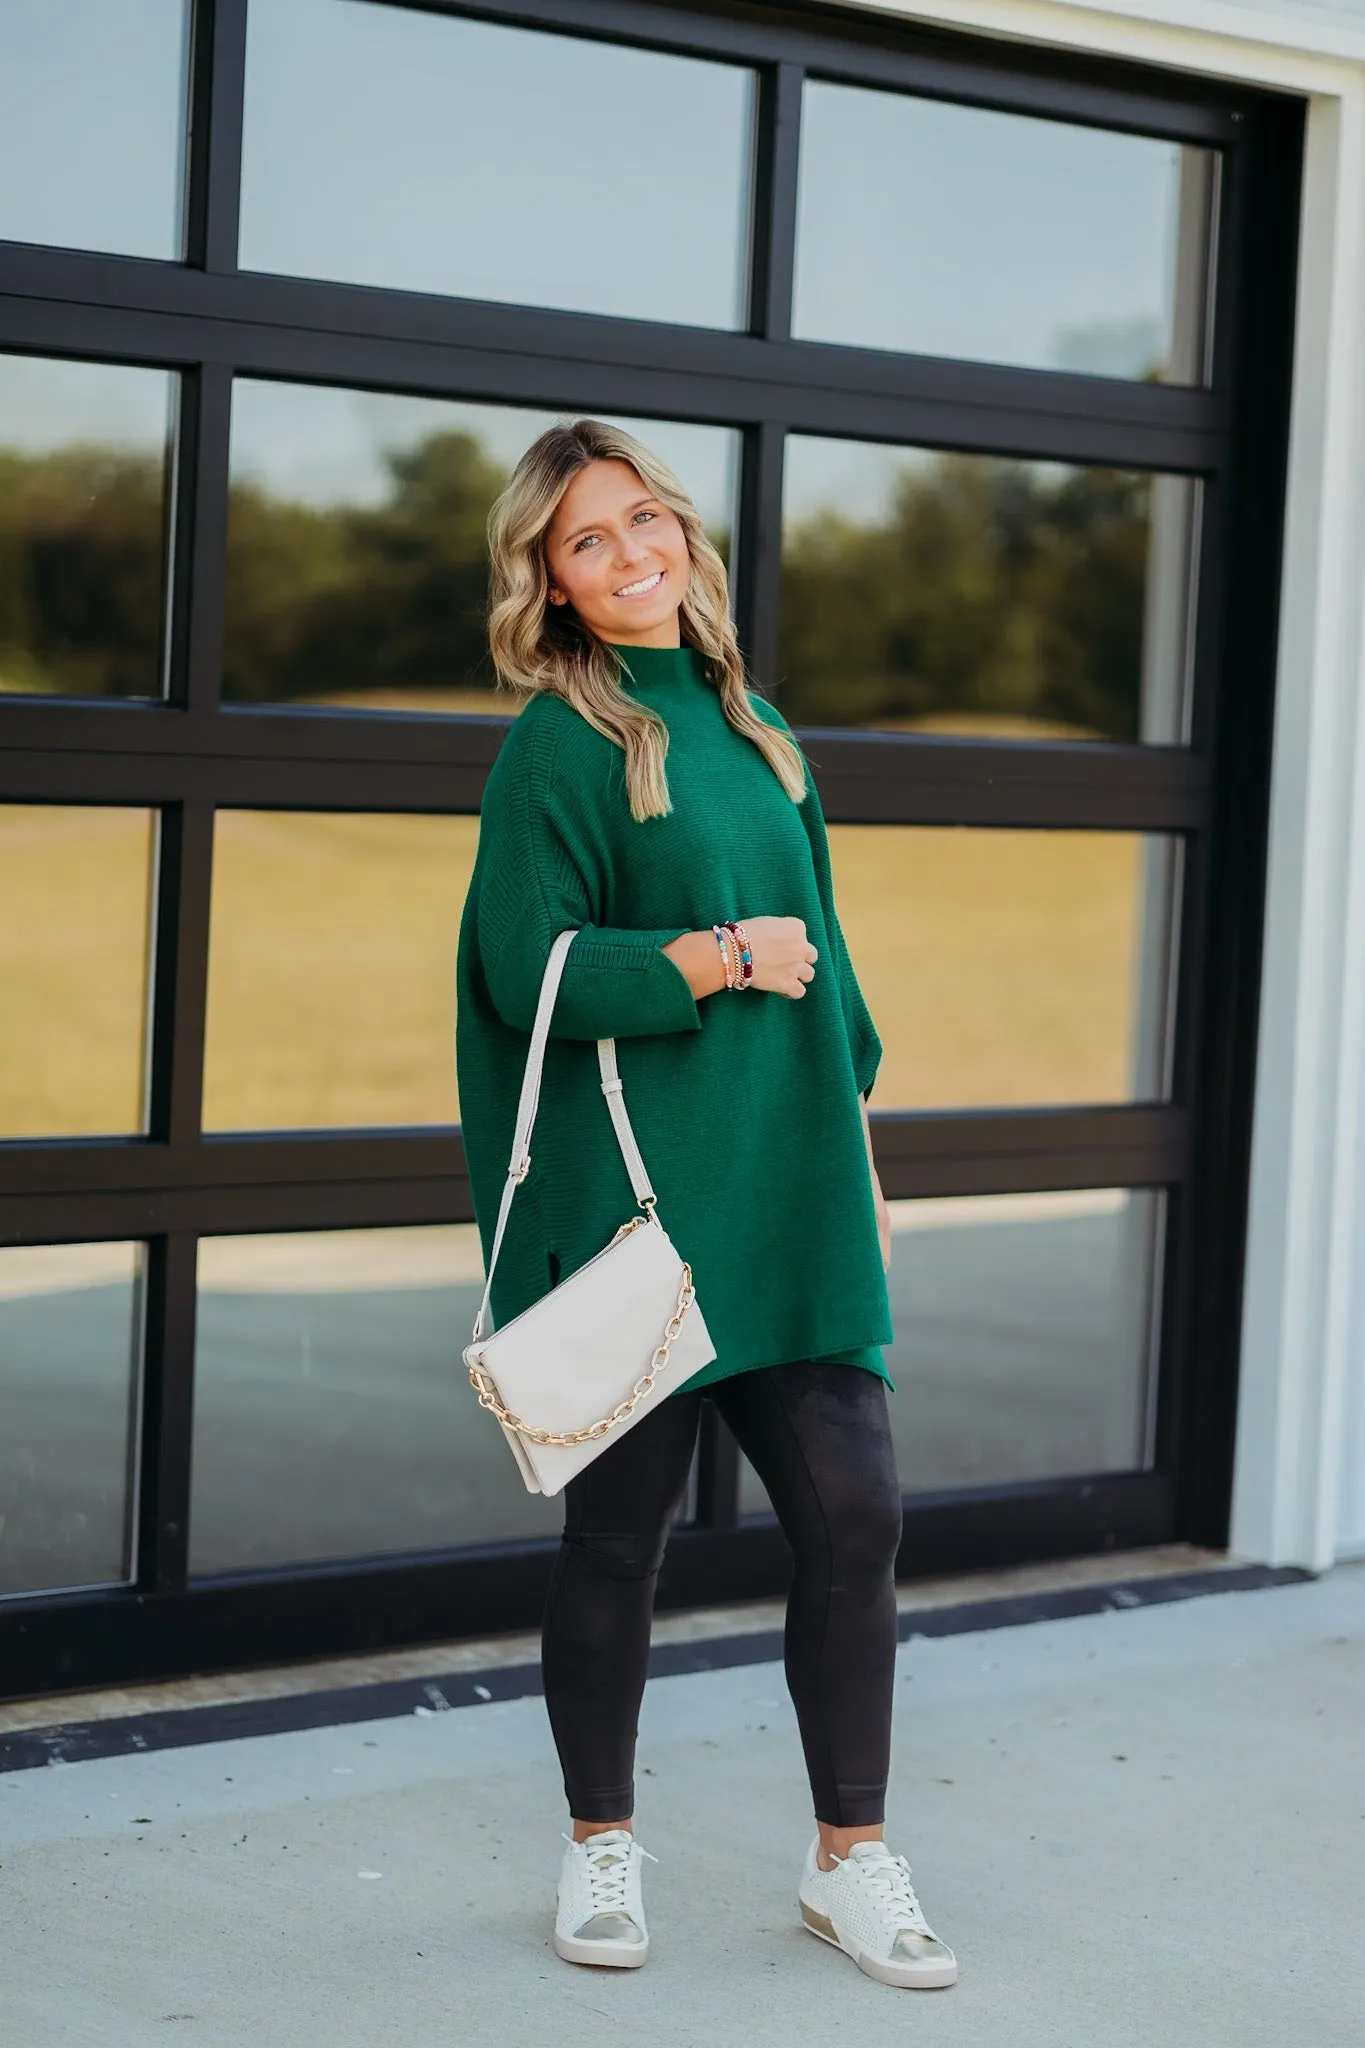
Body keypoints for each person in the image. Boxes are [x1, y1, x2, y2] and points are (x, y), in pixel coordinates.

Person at [455, 419, 957, 1990]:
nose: (629, 555)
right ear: (547, 581)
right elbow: (523, 970)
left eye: (642, 520)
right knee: (617, 1548)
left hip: (785, 1191)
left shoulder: (754, 724)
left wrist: (841, 1096)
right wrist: (715, 957)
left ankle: (850, 1863)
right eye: (585, 541)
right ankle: (601, 1849)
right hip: (641, 1215)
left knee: (858, 1520)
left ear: (682, 530)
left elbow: (836, 961)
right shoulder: (557, 744)